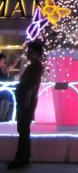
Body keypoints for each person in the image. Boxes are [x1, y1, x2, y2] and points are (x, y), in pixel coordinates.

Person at [8, 40, 44, 170]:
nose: (28, 54)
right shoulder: (32, 66)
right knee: (23, 129)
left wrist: (28, 97)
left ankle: (21, 158)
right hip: (24, 99)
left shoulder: (36, 67)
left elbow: (33, 84)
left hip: (26, 101)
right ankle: (24, 156)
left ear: (37, 53)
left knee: (23, 128)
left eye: (31, 51)